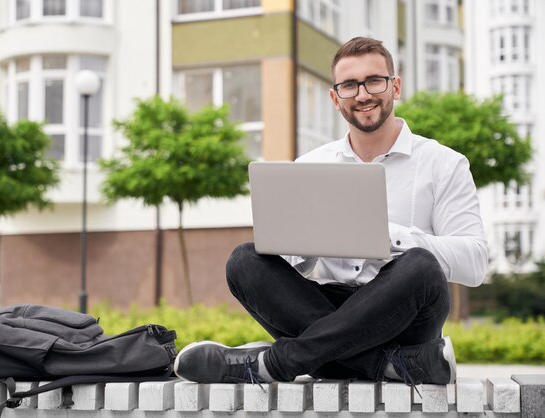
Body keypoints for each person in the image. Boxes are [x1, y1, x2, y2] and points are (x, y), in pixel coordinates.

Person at [174, 36, 488, 386]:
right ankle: (395, 365)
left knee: (421, 264)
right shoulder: (309, 166)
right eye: (349, 85)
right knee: (244, 260)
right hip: (324, 309)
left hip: (403, 314)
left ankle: (275, 363)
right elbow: (292, 270)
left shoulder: (444, 164)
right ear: (335, 98)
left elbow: (475, 263)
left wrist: (390, 236)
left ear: (395, 86)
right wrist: (304, 248)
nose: (363, 94)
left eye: (374, 81)